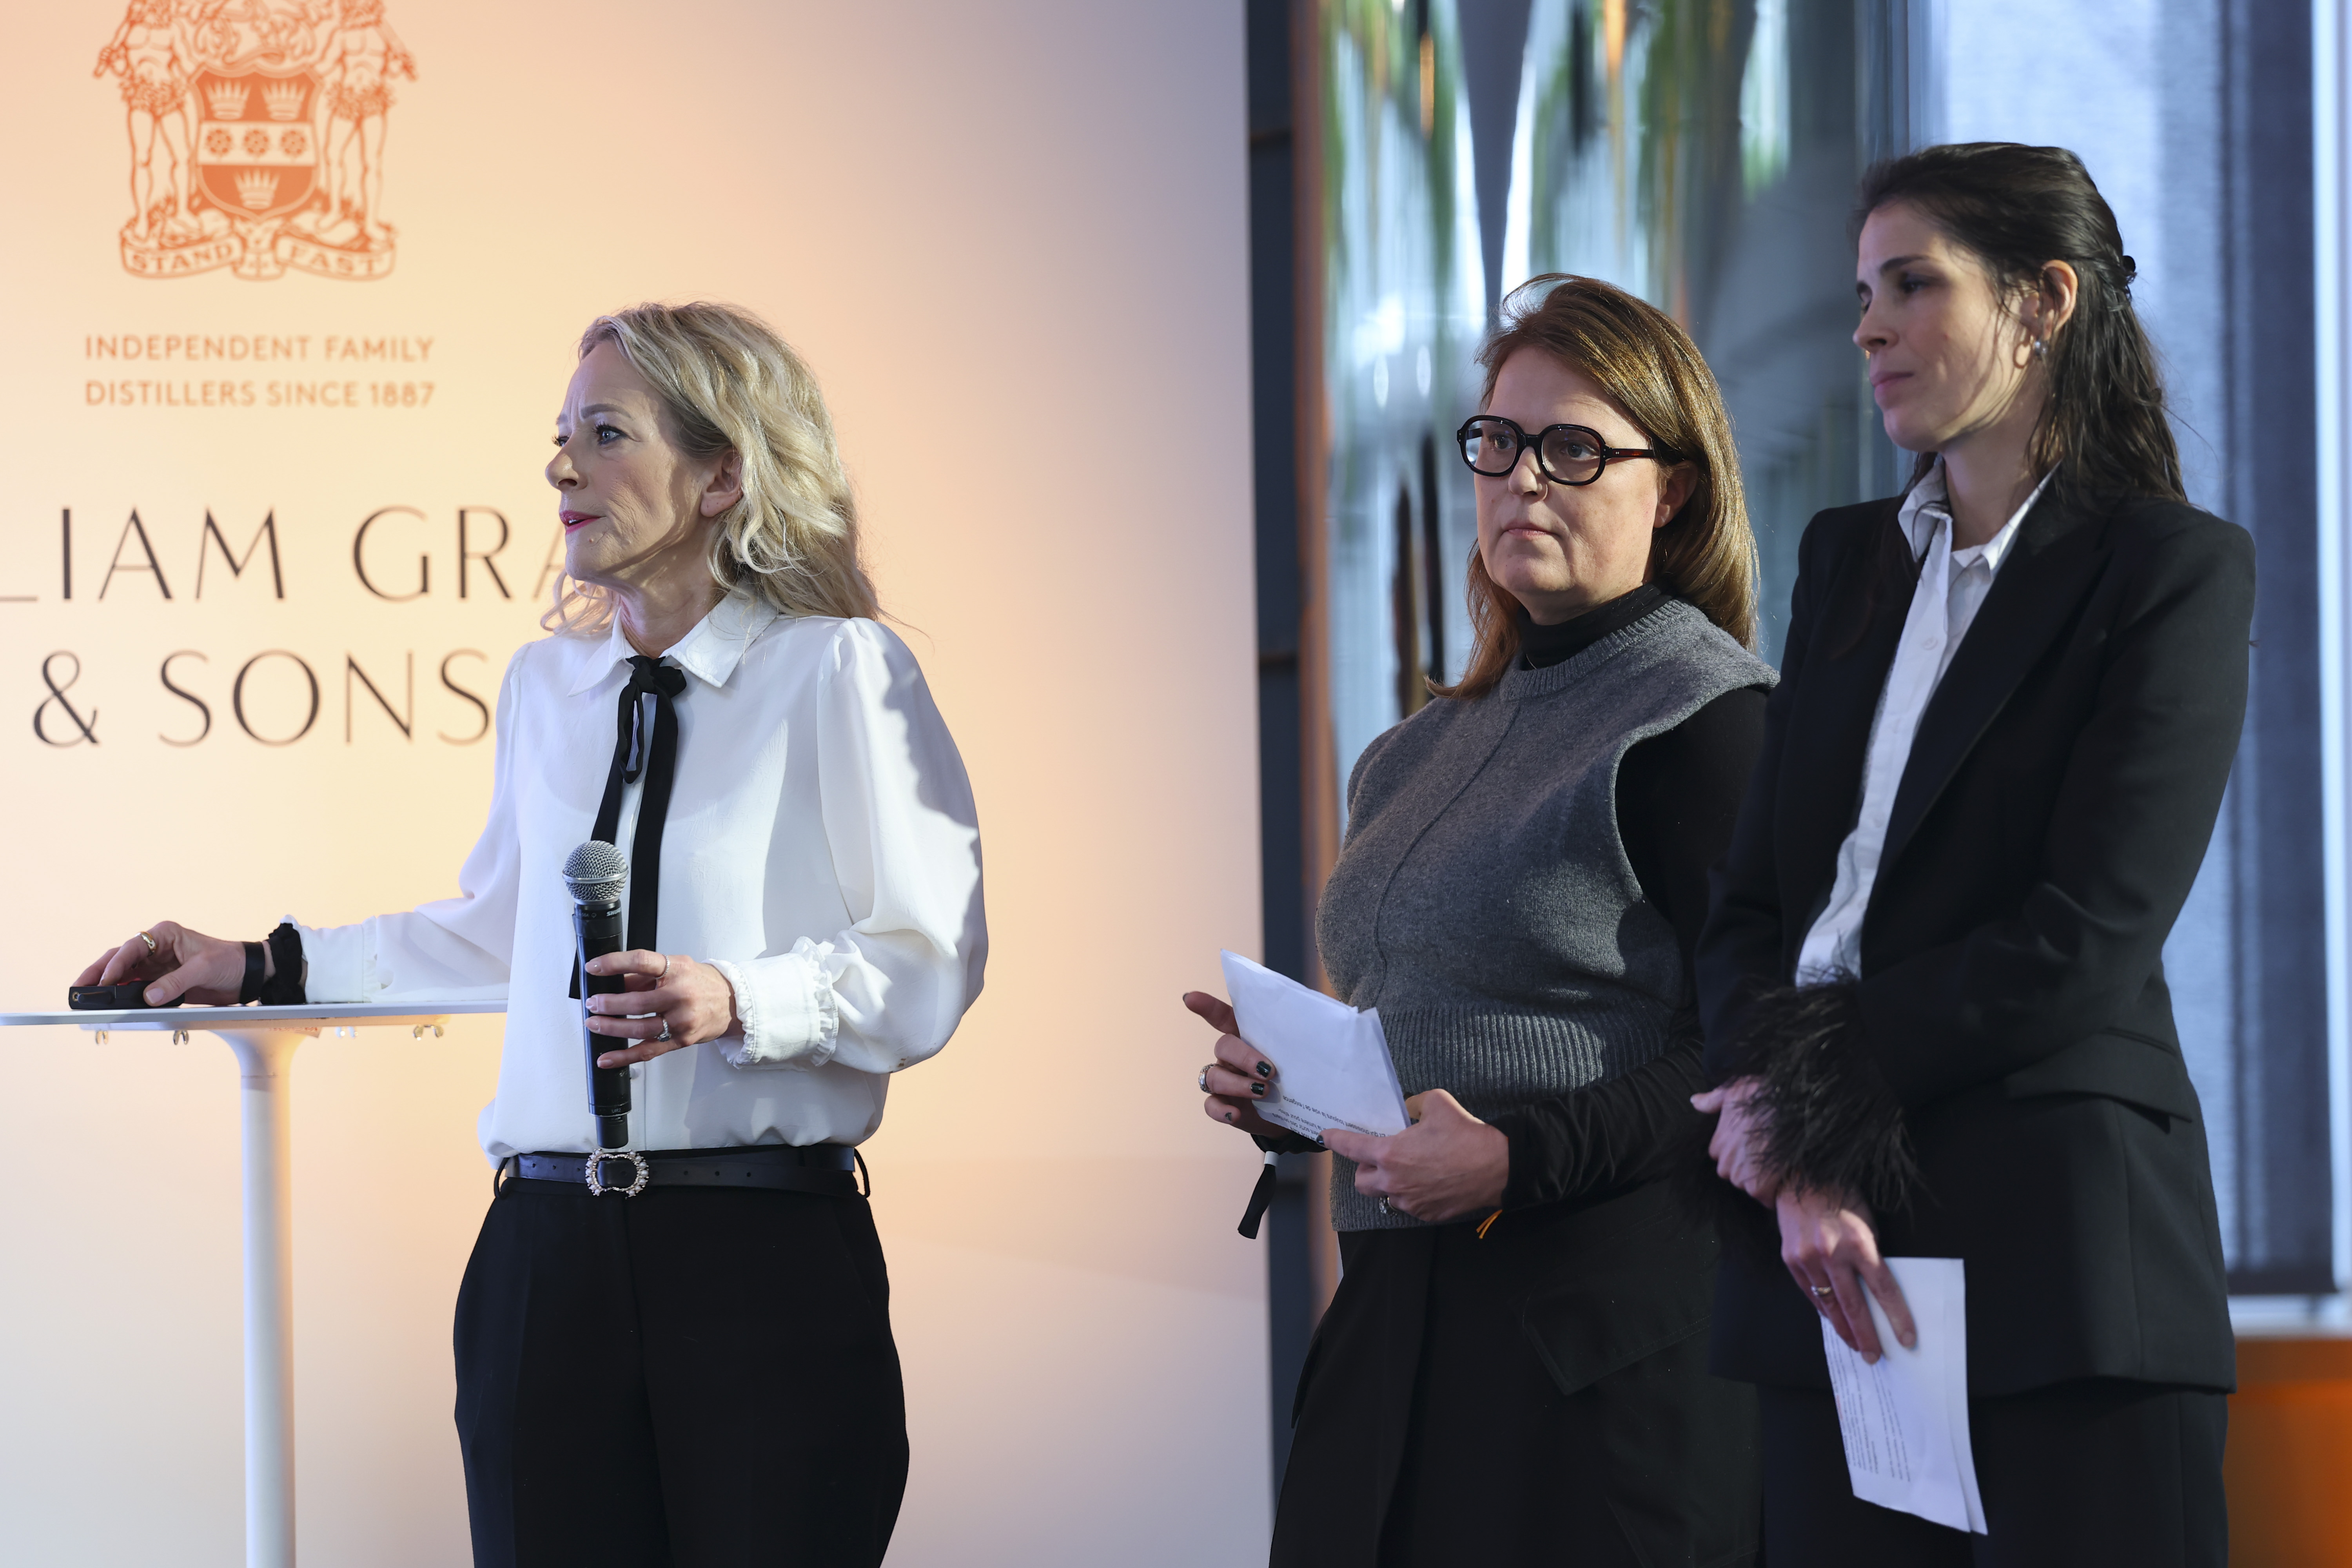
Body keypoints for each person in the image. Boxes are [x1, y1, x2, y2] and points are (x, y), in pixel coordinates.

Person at [73, 301, 986, 1568]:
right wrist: (257, 964)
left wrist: (742, 997)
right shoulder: (546, 687)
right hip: (544, 1263)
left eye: (607, 434)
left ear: (724, 476)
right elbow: (499, 935)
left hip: (760, 1264)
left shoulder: (841, 670)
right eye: (562, 436)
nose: (562, 467)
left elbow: (931, 958)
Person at [1692, 143, 2247, 1566]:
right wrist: (1793, 1153)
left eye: (1913, 285)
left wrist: (1806, 1106)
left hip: (2060, 1264)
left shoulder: (2167, 571)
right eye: (1862, 294)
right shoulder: (1845, 561)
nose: (1868, 327)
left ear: (2044, 301)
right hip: (1822, 1266)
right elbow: (1751, 911)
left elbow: (2086, 936)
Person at [1191, 274, 1772, 1566]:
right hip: (1394, 1325)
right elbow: (1437, 1026)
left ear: (1672, 490)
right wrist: (1294, 1090)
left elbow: (1759, 1060)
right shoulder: (1412, 751)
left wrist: (1520, 1154)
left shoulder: (1709, 720)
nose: (1523, 481)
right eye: (1499, 443)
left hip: (1597, 1352)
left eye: (1575, 450)